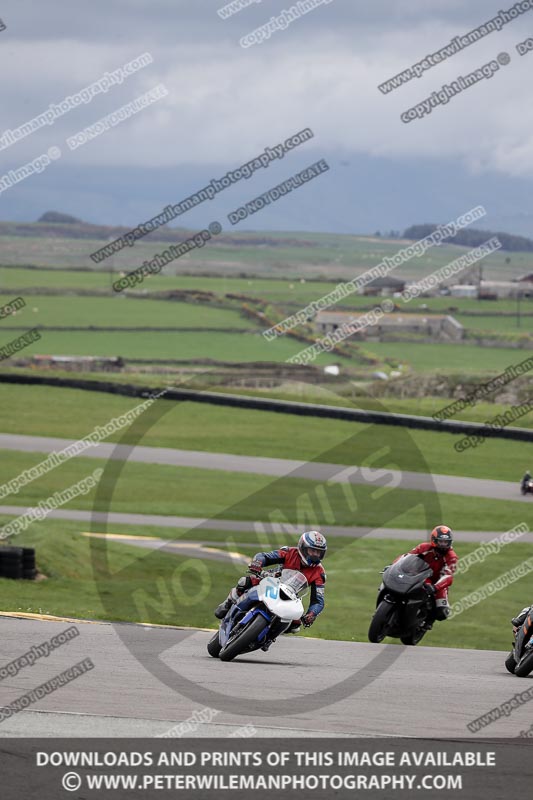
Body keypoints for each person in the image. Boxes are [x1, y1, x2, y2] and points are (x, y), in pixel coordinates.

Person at [214, 531, 327, 646]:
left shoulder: (319, 572)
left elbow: (318, 600)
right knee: (245, 582)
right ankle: (228, 603)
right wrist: (257, 563)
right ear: (303, 548)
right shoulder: (289, 552)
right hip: (272, 581)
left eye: (319, 552)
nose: (315, 555)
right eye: (312, 551)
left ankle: (269, 638)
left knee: (295, 623)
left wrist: (312, 614)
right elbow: (265, 556)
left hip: (292, 596)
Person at [394, 525, 457, 628]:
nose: (443, 545)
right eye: (440, 541)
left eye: (446, 542)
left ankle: (427, 622)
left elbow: (448, 576)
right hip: (419, 575)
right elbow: (406, 557)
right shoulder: (423, 547)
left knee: (443, 612)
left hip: (437, 583)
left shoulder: (452, 557)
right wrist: (395, 565)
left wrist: (435, 587)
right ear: (433, 540)